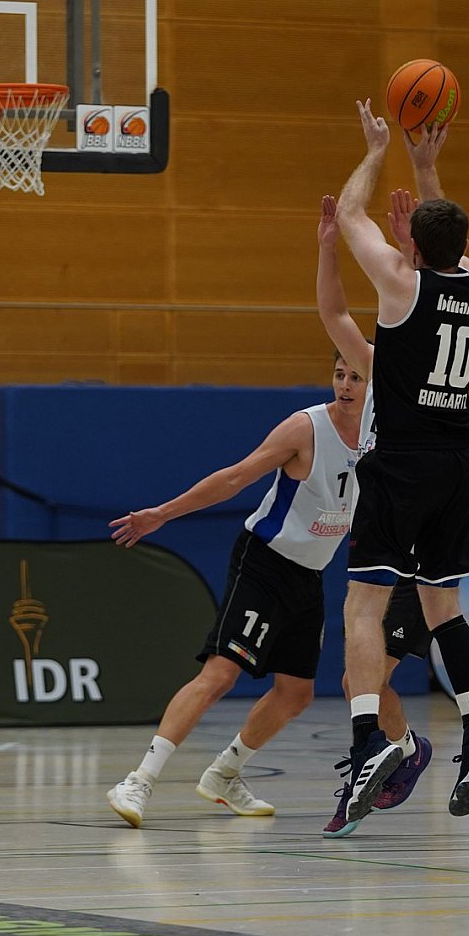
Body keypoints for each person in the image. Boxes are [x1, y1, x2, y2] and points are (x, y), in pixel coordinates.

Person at [328, 102, 469, 838]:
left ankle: (368, 739)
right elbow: (449, 240)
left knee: (363, 607)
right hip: (457, 463)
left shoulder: (403, 286)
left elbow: (348, 214)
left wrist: (377, 150)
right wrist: (427, 166)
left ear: (414, 245)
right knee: (443, 608)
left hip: (400, 464)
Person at [104, 348, 364, 826]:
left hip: (310, 574)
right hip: (264, 563)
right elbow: (235, 478)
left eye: (356, 377)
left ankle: (225, 773)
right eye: (338, 374)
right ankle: (139, 779)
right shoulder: (304, 428)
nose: (345, 385)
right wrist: (162, 514)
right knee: (221, 674)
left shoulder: (380, 435)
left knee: (296, 693)